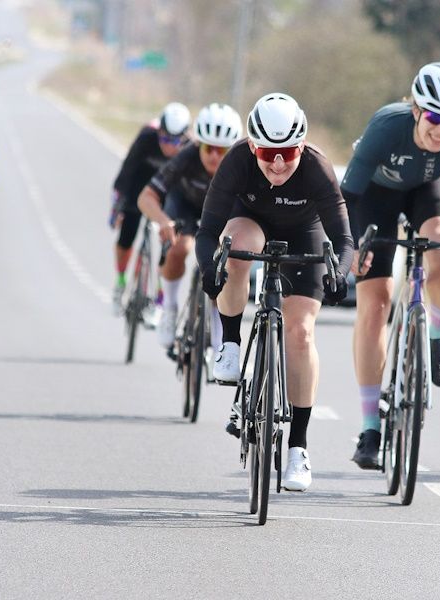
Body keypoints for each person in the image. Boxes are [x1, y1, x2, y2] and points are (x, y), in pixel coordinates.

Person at [195, 93, 353, 492]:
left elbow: (344, 239)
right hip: (249, 221)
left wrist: (339, 272)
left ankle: (298, 446)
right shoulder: (236, 161)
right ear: (253, 146)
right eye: (267, 153)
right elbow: (207, 230)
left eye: (288, 153)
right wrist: (209, 269)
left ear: (302, 146)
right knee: (234, 250)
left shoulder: (317, 167)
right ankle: (231, 343)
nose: (278, 163)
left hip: (304, 231)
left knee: (300, 333)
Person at [341, 62, 440, 469]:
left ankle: (437, 337)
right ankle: (370, 428)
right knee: (375, 304)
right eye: (435, 118)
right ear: (416, 111)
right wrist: (350, 247)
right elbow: (347, 199)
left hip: (428, 190)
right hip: (375, 197)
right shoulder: (385, 127)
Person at [138, 102, 242, 349]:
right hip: (185, 206)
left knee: (221, 266)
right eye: (208, 148)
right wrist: (163, 221)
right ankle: (169, 307)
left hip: (220, 214)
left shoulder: (240, 164)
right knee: (180, 248)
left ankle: (218, 325)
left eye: (221, 150)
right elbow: (146, 197)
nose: (214, 156)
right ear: (198, 144)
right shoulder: (186, 156)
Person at [110, 102, 190, 314]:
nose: (168, 146)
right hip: (140, 188)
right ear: (159, 131)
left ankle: (160, 298)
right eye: (164, 138)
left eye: (175, 141)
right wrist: (117, 207)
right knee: (126, 236)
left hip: (168, 193)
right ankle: (120, 281)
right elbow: (126, 171)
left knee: (169, 243)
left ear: (184, 137)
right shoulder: (147, 137)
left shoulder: (190, 149)